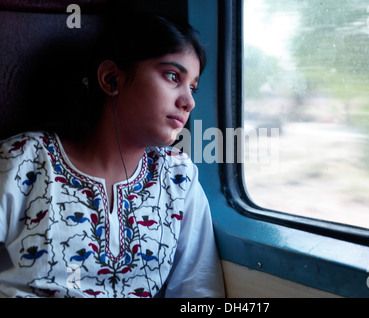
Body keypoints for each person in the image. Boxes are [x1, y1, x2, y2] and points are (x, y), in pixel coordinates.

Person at [0, 13, 225, 298]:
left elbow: (197, 290)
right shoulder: (21, 162)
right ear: (111, 79)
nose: (188, 101)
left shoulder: (178, 177)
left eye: (192, 87)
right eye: (172, 76)